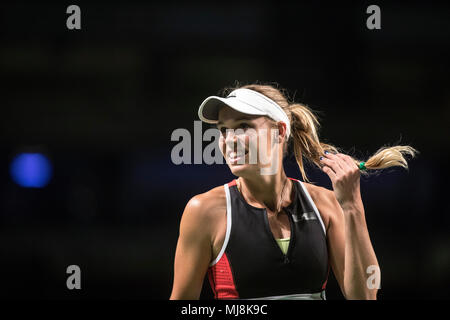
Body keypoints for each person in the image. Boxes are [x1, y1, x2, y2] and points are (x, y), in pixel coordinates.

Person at [169, 83, 417, 300]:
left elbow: (365, 294)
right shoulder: (203, 211)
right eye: (224, 129)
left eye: (243, 126)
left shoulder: (325, 204)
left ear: (279, 131)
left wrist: (352, 205)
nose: (229, 139)